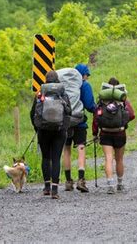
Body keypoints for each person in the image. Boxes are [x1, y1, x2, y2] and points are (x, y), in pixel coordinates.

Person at [30, 70, 71, 199]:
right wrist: (64, 127)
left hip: (43, 131)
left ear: (46, 80)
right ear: (57, 79)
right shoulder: (62, 93)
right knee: (56, 159)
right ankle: (55, 190)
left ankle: (46, 187)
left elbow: (32, 113)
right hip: (59, 131)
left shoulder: (40, 93)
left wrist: (37, 128)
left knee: (46, 158)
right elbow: (69, 111)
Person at [93, 77, 135, 194]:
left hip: (105, 133)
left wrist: (95, 133)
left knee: (108, 159)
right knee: (119, 159)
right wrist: (123, 121)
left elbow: (96, 118)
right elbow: (131, 115)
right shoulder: (122, 101)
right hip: (120, 133)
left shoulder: (102, 101)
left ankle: (110, 184)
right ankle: (120, 184)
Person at [63, 63, 96, 192]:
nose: (87, 78)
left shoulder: (65, 86)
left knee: (66, 150)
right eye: (86, 75)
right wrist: (96, 109)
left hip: (65, 121)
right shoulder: (84, 85)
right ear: (83, 75)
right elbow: (89, 105)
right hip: (79, 122)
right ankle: (81, 180)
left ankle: (68, 181)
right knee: (81, 148)